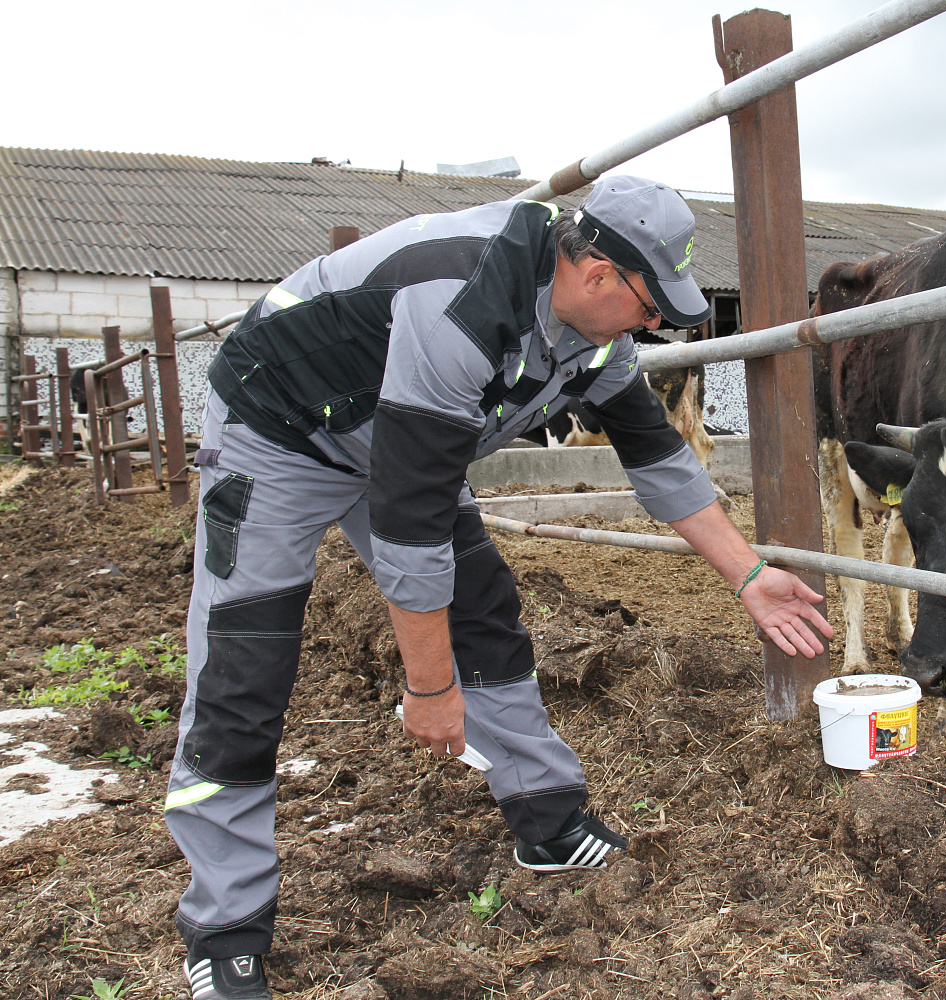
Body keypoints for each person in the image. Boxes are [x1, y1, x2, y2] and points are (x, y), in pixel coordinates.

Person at [166, 175, 833, 1000]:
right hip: (280, 433)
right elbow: (410, 528)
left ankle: (548, 823)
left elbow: (658, 459)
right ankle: (224, 929)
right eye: (651, 306)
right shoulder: (462, 301)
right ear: (596, 276)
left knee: (485, 614)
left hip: (400, 439)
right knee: (244, 662)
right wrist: (429, 687)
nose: (657, 325)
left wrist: (751, 575)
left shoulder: (597, 338)